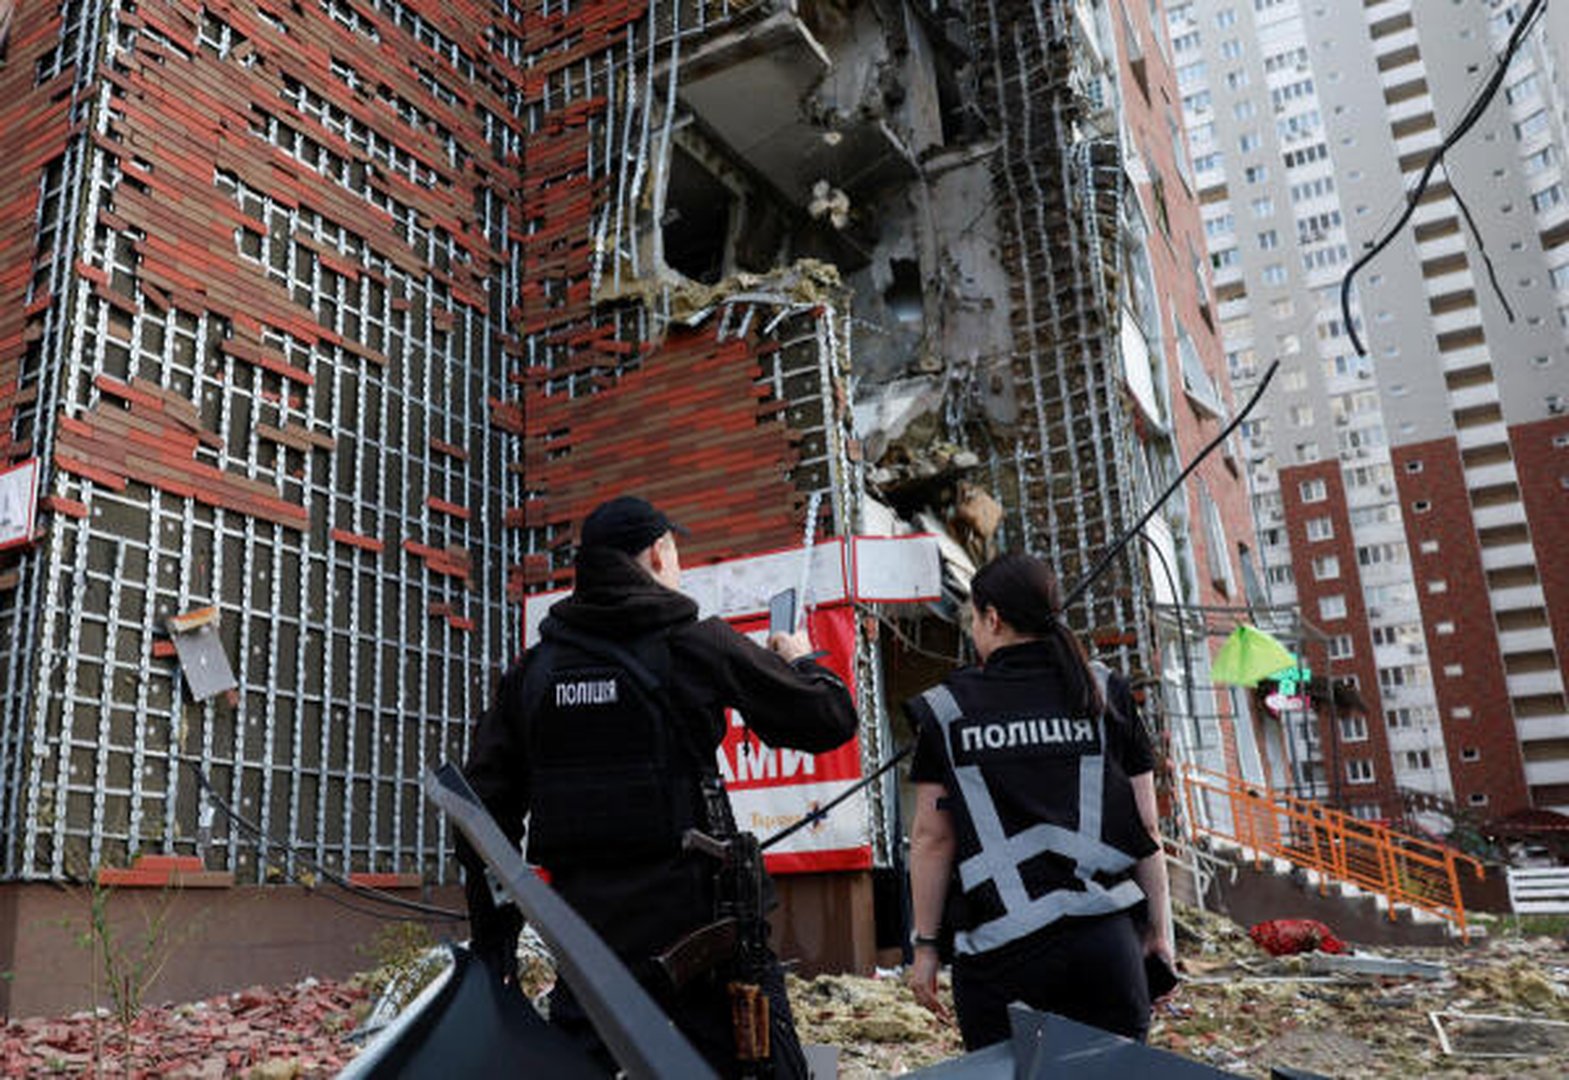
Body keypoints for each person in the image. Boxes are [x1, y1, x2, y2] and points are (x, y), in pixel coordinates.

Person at [459, 495, 858, 1078]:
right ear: (656, 554)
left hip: (587, 938)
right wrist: (799, 661)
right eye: (676, 553)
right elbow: (829, 718)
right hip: (705, 937)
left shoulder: (534, 672)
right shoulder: (694, 643)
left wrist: (495, 941)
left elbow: (480, 812)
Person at [903, 553, 1173, 1050]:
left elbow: (931, 839)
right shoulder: (1103, 691)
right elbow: (1148, 831)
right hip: (1107, 946)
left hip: (1002, 958)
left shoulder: (947, 709)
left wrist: (924, 948)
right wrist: (1158, 936)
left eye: (972, 622)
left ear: (993, 618)